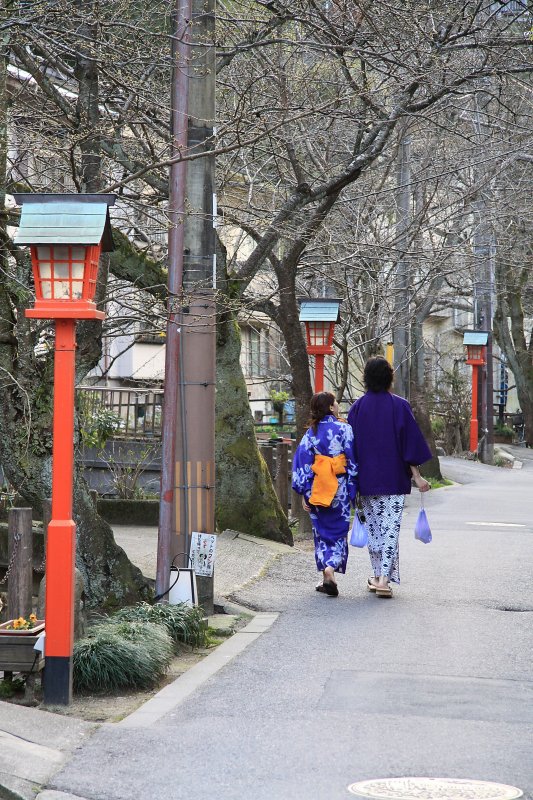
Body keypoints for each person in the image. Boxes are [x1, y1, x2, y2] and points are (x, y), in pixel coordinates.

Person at [347, 356, 431, 598]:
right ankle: (383, 579)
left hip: (366, 480)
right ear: (389, 378)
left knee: (374, 530)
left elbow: (349, 447)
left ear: (366, 378)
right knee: (390, 531)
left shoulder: (358, 407)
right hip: (394, 480)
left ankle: (376, 576)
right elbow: (409, 446)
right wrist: (417, 476)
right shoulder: (400, 405)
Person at [292, 391, 358, 597]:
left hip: (318, 488)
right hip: (338, 489)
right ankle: (330, 570)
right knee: (338, 532)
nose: (337, 405)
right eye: (335, 403)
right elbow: (353, 460)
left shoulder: (310, 433)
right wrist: (353, 487)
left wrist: (304, 491)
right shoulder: (345, 428)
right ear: (330, 407)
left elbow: (302, 462)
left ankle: (326, 577)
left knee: (320, 533)